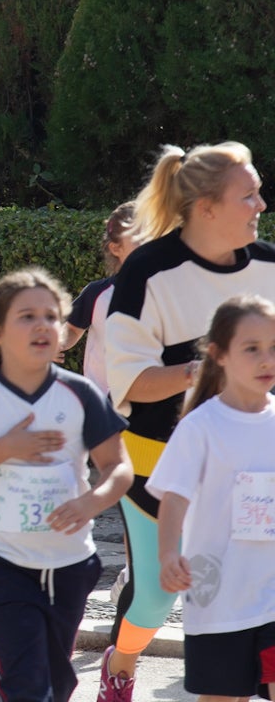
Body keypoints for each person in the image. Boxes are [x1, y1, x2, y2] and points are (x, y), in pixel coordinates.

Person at [100, 141, 275, 701]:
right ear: (206, 208)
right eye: (248, 195)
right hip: (159, 460)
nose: (261, 205)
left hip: (253, 465)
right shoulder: (149, 270)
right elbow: (128, 384)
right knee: (155, 599)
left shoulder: (270, 266)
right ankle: (121, 664)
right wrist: (207, 372)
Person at [0, 267, 133, 702]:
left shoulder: (82, 394)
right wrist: (6, 446)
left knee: (57, 684)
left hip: (70, 563)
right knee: (27, 684)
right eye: (27, 316)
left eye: (51, 317)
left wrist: (90, 503)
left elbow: (119, 468)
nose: (43, 325)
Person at [149, 294, 275, 702]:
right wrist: (168, 554)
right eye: (252, 348)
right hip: (219, 598)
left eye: (274, 348)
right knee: (224, 697)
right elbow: (175, 498)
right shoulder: (201, 426)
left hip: (272, 592)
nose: (266, 360)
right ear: (218, 355)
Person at [60, 201, 138, 393]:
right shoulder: (97, 294)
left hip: (149, 405)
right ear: (115, 248)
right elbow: (72, 329)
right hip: (102, 404)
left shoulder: (165, 293)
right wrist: (54, 344)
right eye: (139, 238)